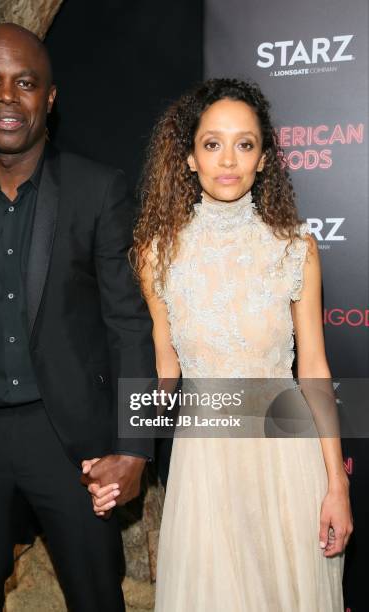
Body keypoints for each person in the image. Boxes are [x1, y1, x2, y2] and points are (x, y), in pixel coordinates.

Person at [0, 23, 155, 611]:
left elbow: (130, 326)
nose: (6, 98)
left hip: (74, 444)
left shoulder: (99, 190)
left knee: (98, 598)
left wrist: (136, 447)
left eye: (25, 83)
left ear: (49, 97)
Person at [91, 79, 353, 610]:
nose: (227, 159)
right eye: (212, 144)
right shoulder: (156, 255)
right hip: (204, 463)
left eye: (245, 144)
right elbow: (165, 373)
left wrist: (337, 485)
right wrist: (125, 448)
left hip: (287, 460)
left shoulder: (294, 248)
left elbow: (315, 373)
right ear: (189, 157)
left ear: (263, 160)